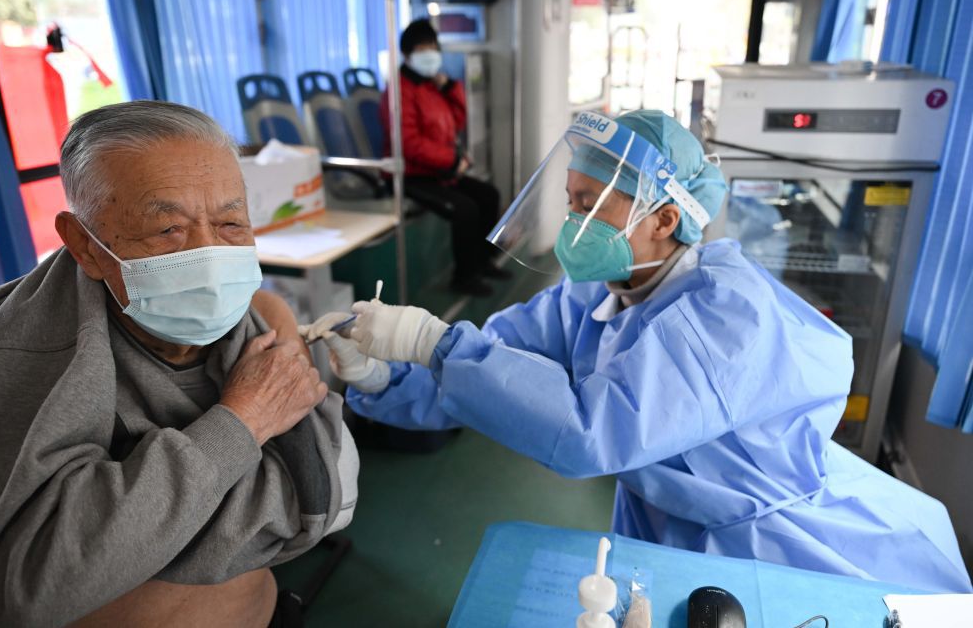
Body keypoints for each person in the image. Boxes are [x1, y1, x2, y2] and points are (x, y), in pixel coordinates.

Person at [307, 110, 972, 594]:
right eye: (571, 202)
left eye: (591, 204)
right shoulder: (598, 289)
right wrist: (387, 374)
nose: (573, 223)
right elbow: (488, 365)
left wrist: (429, 339)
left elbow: (592, 431)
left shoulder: (723, 314)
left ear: (664, 218)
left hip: (759, 532)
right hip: (665, 515)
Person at [0, 101, 358, 627]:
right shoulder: (19, 359)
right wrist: (243, 421)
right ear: (84, 245)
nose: (209, 258)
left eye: (230, 222)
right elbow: (33, 583)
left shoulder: (252, 317)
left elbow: (324, 491)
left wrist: (136, 536)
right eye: (168, 229)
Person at [381, 18, 508, 297]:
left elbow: (457, 122)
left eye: (432, 48)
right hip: (410, 175)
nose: (429, 55)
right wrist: (451, 161)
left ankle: (483, 261)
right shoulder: (399, 92)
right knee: (465, 209)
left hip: (437, 171)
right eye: (422, 49)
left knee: (489, 196)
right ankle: (464, 277)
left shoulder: (431, 86)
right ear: (407, 54)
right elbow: (409, 143)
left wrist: (451, 87)